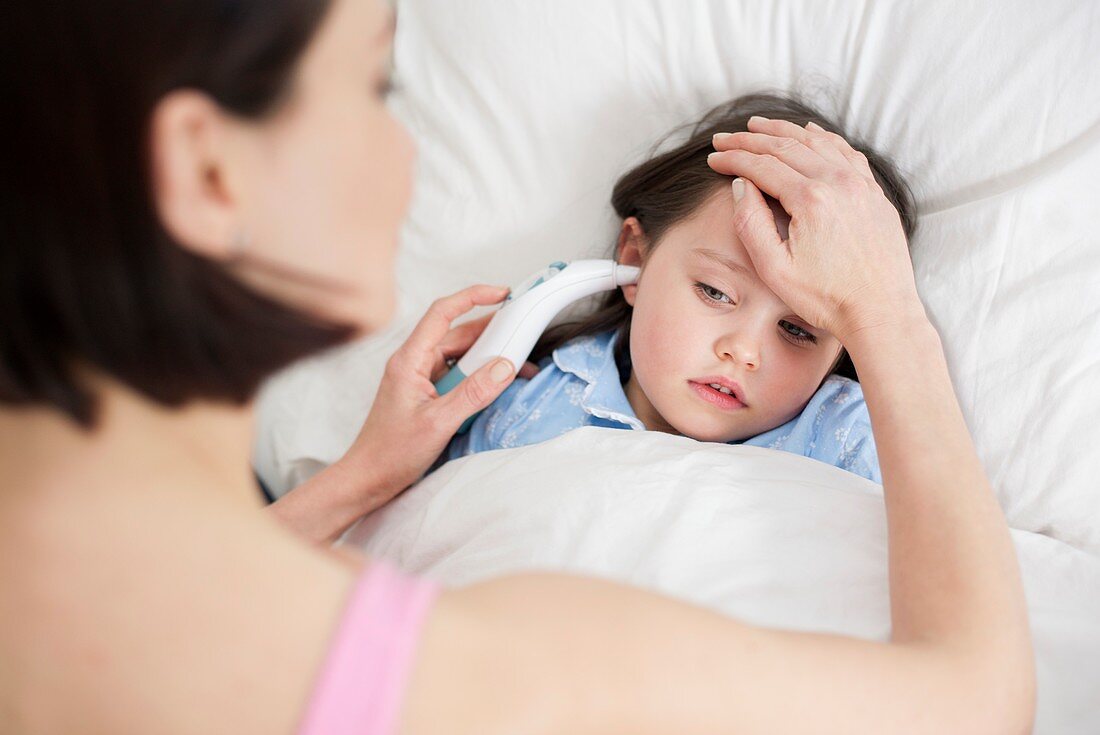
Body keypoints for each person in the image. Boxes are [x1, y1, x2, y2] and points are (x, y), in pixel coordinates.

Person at [0, 0, 1035, 733]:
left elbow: (186, 600)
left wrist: (365, 474)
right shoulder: (504, 662)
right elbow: (972, 702)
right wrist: (888, 313)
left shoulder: (46, 604)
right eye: (377, 86)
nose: (409, 154)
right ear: (206, 169)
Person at [433, 93, 918, 484]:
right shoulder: (528, 405)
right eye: (715, 292)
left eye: (796, 329)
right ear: (634, 259)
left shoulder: (851, 441)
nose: (744, 351)